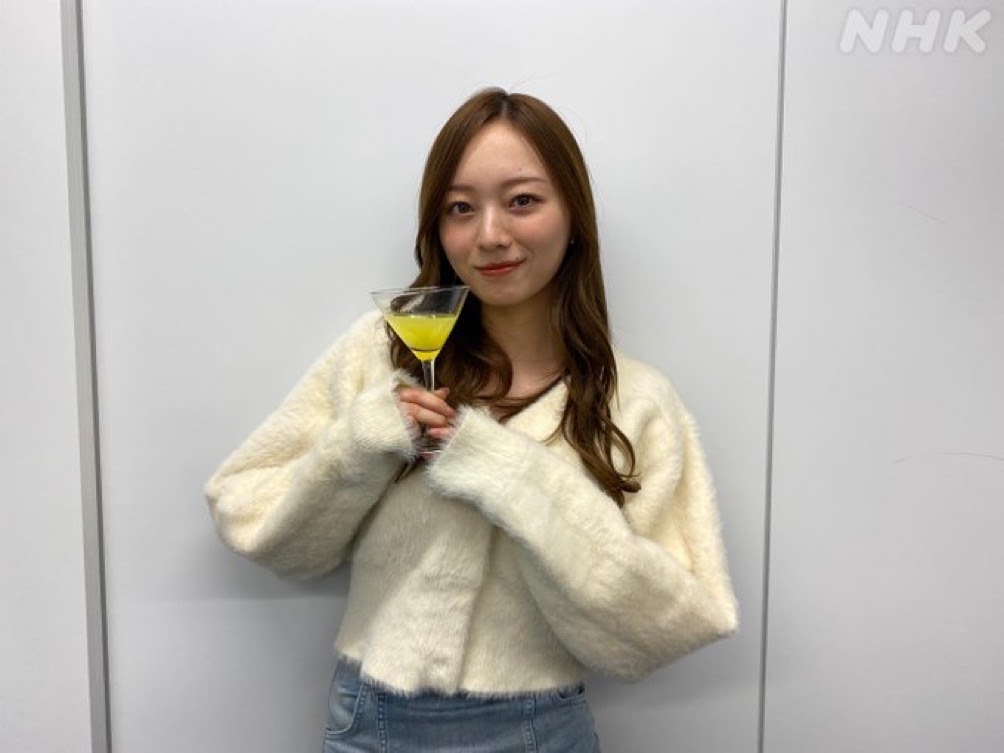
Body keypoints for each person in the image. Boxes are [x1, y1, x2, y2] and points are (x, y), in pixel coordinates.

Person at [205, 88, 738, 753]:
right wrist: (361, 443)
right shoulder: (383, 353)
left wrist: (510, 474)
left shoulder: (636, 401)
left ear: (574, 214)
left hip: (540, 731)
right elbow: (258, 524)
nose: (489, 235)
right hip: (367, 724)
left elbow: (665, 626)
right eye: (461, 208)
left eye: (522, 200)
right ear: (437, 227)